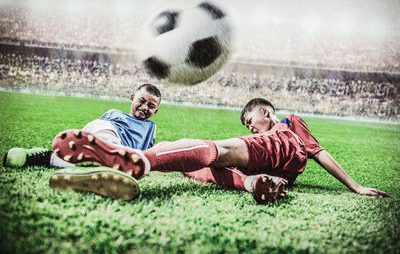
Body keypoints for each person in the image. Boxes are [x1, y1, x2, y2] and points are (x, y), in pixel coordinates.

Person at [51, 98, 390, 203]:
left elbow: (321, 153)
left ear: (266, 113)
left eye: (250, 120)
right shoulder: (277, 136)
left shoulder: (286, 125)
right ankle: (252, 183)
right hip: (278, 175)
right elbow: (316, 155)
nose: (249, 126)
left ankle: (142, 159)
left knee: (213, 149)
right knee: (195, 166)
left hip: (280, 151)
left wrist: (356, 186)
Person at [3, 83, 162, 200]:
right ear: (132, 98)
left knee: (87, 162)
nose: (144, 107)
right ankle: (105, 156)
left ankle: (41, 157)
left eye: (151, 105)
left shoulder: (151, 128)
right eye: (141, 101)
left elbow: (147, 151)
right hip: (107, 133)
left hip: (123, 154)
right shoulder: (113, 113)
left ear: (155, 111)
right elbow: (92, 131)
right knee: (104, 137)